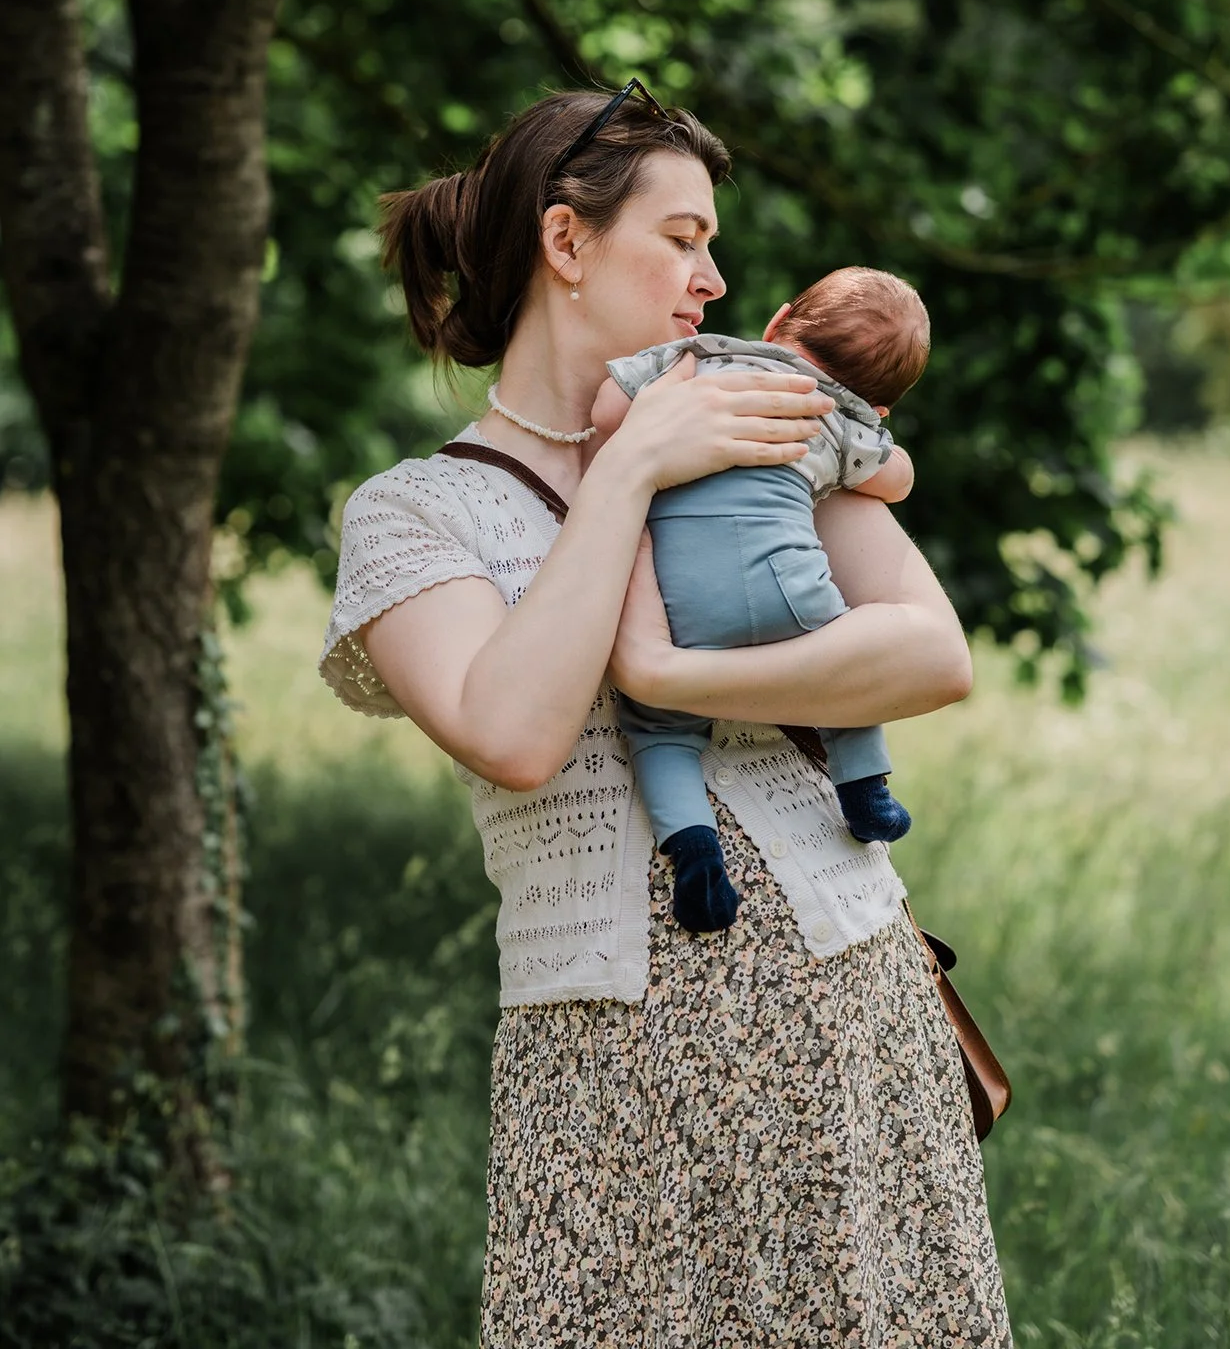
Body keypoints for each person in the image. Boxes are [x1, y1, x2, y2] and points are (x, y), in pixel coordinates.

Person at [319, 80, 1013, 1347]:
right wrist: (631, 461)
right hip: (617, 1076)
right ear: (566, 243)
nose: (714, 276)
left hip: (854, 1017)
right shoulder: (417, 514)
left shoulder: (762, 420)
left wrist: (672, 678)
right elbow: (515, 734)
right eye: (682, 237)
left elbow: (929, 655)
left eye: (712, 243)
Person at [594, 267, 930, 933]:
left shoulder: (699, 361)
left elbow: (608, 411)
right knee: (843, 674)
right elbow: (896, 482)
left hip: (683, 606)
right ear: (880, 404)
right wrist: (875, 434)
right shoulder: (835, 415)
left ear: (776, 323)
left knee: (660, 732)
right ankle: (865, 793)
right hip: (792, 593)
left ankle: (696, 858)